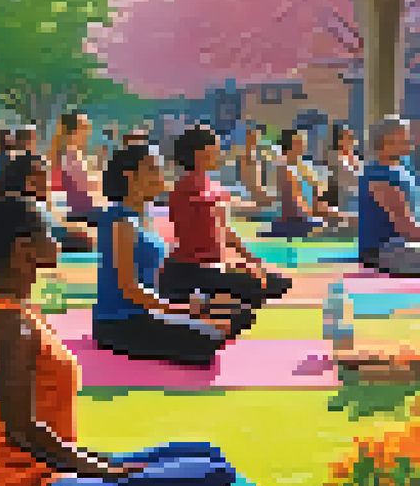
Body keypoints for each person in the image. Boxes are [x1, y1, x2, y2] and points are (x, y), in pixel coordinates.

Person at [0, 192, 237, 486]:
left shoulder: (5, 310)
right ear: (24, 250)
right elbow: (20, 429)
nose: (58, 240)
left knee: (206, 454)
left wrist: (99, 464)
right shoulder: (9, 325)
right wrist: (98, 468)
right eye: (49, 233)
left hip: (42, 482)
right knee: (211, 475)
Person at [93, 144, 245, 366]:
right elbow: (129, 287)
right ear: (130, 176)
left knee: (233, 316)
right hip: (120, 323)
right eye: (153, 169)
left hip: (147, 314)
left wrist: (198, 303)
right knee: (209, 339)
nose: (161, 175)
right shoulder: (122, 222)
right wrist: (183, 310)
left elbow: (151, 277)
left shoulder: (143, 217)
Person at [157, 126, 292, 312]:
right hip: (190, 270)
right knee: (255, 287)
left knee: (277, 282)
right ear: (200, 154)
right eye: (216, 149)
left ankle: (212, 299)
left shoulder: (212, 186)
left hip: (210, 268)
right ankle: (200, 299)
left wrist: (252, 259)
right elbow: (196, 241)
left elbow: (224, 231)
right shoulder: (185, 190)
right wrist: (228, 266)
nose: (221, 154)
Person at [358, 116, 420, 275]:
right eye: (404, 136)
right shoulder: (377, 175)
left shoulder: (403, 171)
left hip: (404, 247)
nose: (409, 139)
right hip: (383, 252)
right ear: (386, 140)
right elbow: (404, 225)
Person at [269, 128, 333, 238]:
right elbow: (295, 202)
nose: (302, 146)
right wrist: (314, 216)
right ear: (288, 147)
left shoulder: (304, 167)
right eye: (298, 143)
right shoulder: (283, 168)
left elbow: (316, 194)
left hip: (305, 216)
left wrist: (324, 211)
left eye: (302, 143)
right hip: (293, 220)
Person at [50, 113, 103, 225]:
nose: (88, 133)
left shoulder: (75, 156)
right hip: (81, 217)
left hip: (87, 214)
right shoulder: (67, 157)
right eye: (84, 128)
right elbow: (90, 187)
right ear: (73, 132)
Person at [323, 123, 362, 216]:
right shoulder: (333, 158)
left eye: (351, 138)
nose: (351, 141)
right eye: (347, 138)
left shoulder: (357, 158)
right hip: (343, 202)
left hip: (357, 199)